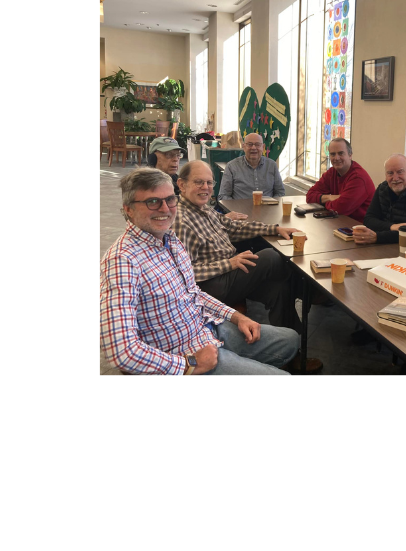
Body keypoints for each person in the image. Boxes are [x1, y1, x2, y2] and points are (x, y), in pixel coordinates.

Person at [100, 168, 299, 375]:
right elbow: (121, 351)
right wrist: (189, 365)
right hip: (184, 353)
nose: (165, 208)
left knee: (290, 339)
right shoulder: (122, 261)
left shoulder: (170, 240)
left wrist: (236, 317)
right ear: (129, 210)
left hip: (206, 328)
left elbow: (193, 292)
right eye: (153, 202)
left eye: (170, 200)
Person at [173, 161, 321, 380]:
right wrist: (229, 264)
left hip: (230, 277)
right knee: (271, 256)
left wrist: (275, 229)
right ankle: (310, 291)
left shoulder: (203, 209)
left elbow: (234, 227)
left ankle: (291, 354)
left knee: (279, 289)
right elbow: (182, 275)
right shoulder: (180, 220)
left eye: (209, 183)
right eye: (198, 182)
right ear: (181, 185)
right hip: (210, 287)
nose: (205, 187)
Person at [305, 138, 375, 223]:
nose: (336, 158)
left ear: (350, 155)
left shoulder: (358, 178)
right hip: (339, 223)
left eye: (341, 153)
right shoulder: (332, 172)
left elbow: (339, 209)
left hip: (360, 227)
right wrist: (330, 197)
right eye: (333, 154)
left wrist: (322, 201)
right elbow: (309, 196)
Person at [218, 132, 285, 216]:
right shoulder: (232, 166)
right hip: (240, 215)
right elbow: (223, 196)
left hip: (267, 214)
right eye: (249, 144)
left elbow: (280, 192)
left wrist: (272, 209)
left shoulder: (272, 165)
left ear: (263, 147)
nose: (253, 148)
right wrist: (235, 211)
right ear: (243, 147)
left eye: (257, 144)